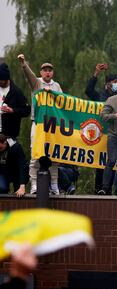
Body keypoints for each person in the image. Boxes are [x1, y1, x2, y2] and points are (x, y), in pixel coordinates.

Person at [17, 54, 62, 195]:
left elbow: (63, 103)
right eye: (45, 70)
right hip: (38, 123)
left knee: (54, 155)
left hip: (53, 124)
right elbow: (28, 75)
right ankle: (34, 184)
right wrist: (24, 64)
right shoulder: (36, 83)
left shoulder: (57, 86)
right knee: (35, 154)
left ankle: (54, 184)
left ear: (52, 72)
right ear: (41, 72)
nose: (47, 72)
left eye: (50, 70)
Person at [85, 63, 117, 194]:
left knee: (113, 163)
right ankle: (98, 189)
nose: (116, 84)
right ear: (108, 84)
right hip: (101, 134)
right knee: (100, 163)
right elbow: (88, 91)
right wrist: (96, 73)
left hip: (114, 134)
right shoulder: (100, 96)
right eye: (114, 82)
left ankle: (109, 190)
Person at [0, 63, 30, 139]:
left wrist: (13, 110)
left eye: (1, 79)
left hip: (9, 135)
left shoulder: (16, 92)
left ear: (7, 78)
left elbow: (26, 110)